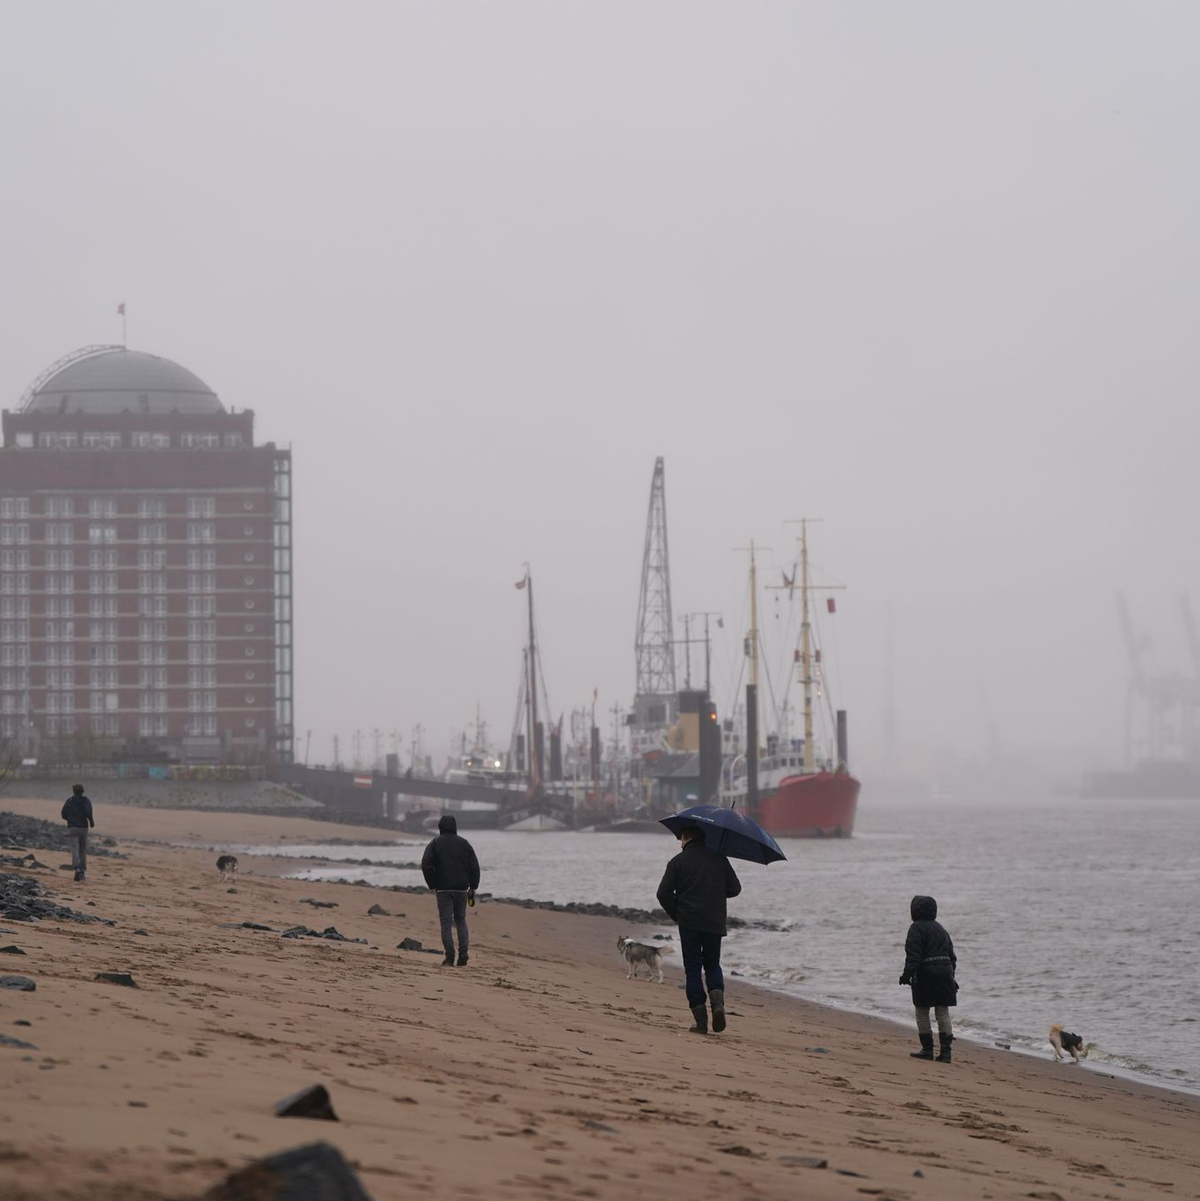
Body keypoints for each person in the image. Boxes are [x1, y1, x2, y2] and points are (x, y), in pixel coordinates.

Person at [656, 823, 741, 1034]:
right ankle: (718, 1003)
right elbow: (735, 889)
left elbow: (663, 894)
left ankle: (701, 1021)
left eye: (680, 839)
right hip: (714, 922)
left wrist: (678, 913)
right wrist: (714, 890)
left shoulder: (677, 862)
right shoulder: (719, 858)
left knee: (693, 968)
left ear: (686, 838)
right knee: (712, 964)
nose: (679, 844)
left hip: (689, 923)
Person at [899, 894, 958, 1063]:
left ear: (914, 911)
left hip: (926, 973)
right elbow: (952, 956)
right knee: (943, 1012)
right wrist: (952, 977)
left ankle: (927, 1049)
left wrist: (906, 975)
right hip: (945, 973)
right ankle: (946, 1052)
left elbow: (913, 955)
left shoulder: (915, 928)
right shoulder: (941, 929)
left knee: (922, 1010)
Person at [420, 814, 480, 967]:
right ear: (455, 827)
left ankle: (450, 957)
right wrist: (473, 886)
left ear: (440, 827)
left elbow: (426, 864)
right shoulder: (464, 843)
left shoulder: (435, 843)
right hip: (461, 888)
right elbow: (474, 865)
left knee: (446, 923)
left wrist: (432, 884)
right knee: (461, 920)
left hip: (443, 889)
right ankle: (464, 952)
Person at [61, 783, 94, 883]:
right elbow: (88, 812)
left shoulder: (69, 801)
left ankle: (76, 869)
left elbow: (63, 814)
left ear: (73, 791)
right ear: (82, 791)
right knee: (82, 850)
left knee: (74, 849)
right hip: (83, 828)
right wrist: (91, 821)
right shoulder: (86, 801)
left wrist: (70, 819)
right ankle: (82, 871)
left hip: (73, 828)